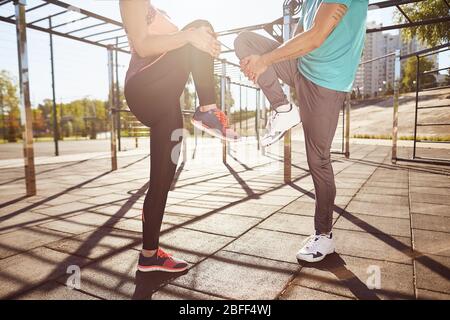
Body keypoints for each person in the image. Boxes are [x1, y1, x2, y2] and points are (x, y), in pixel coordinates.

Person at [234, 0, 369, 262]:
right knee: (245, 42)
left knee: (318, 160)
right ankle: (283, 109)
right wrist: (260, 63)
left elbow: (316, 37)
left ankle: (324, 236)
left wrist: (265, 61)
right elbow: (297, 41)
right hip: (301, 68)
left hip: (326, 83)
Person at [120, 0, 239, 273]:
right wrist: (193, 36)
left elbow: (181, 48)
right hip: (144, 87)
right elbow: (142, 45)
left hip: (167, 102)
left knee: (161, 180)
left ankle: (149, 255)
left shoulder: (163, 12)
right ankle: (207, 108)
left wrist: (206, 46)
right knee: (199, 28)